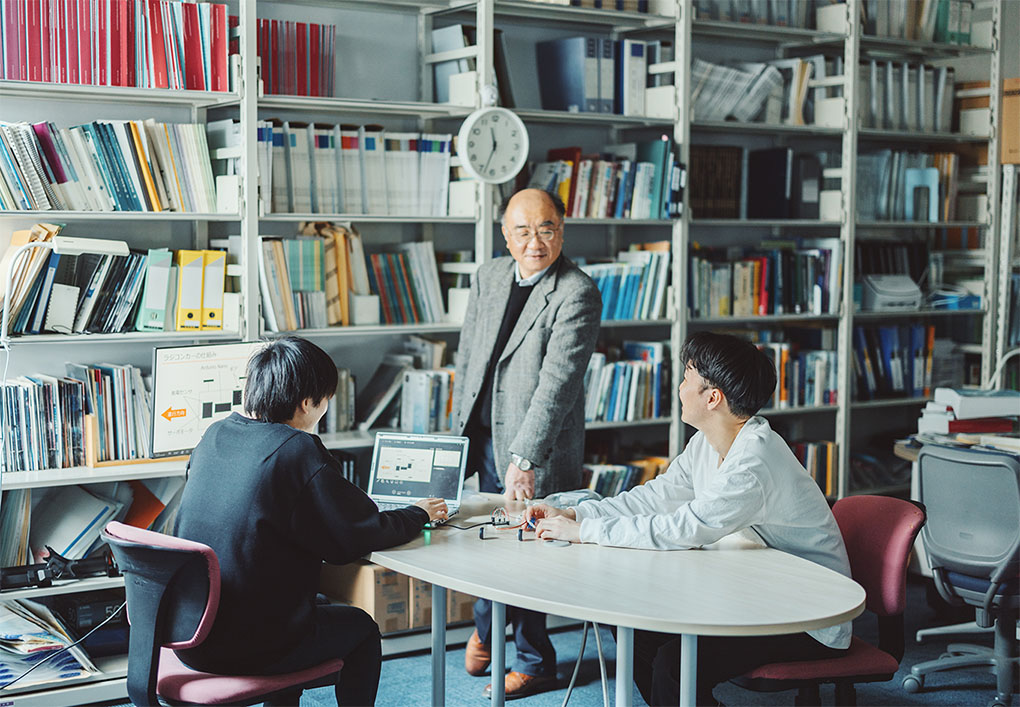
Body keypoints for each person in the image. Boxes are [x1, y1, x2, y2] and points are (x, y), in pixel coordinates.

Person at [525, 331, 852, 707]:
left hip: (810, 615)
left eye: (686, 379)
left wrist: (585, 532)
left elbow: (684, 528)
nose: (679, 388)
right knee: (637, 629)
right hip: (760, 592)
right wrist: (577, 512)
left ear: (713, 398)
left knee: (673, 665)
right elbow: (656, 497)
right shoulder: (708, 441)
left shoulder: (753, 462)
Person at [174, 336, 447, 706]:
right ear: (307, 403)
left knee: (311, 605)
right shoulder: (297, 450)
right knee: (362, 629)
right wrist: (419, 513)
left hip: (191, 634)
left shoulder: (216, 435)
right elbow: (354, 536)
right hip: (246, 644)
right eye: (326, 399)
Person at [451, 188, 601, 699]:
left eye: (547, 229)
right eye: (523, 230)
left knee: (530, 552)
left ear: (562, 228)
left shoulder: (576, 291)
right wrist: (454, 432)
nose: (535, 241)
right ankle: (489, 634)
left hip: (532, 447)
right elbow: (469, 353)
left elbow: (557, 385)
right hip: (479, 433)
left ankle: (536, 663)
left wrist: (524, 458)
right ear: (505, 234)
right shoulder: (490, 276)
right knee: (488, 545)